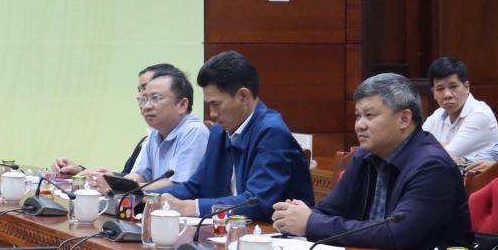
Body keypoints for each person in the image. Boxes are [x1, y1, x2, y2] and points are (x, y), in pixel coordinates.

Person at [272, 74, 472, 250]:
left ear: (404, 119)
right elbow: (329, 209)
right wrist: (294, 218)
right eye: (357, 116)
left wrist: (311, 223)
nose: (360, 125)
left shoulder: (433, 167)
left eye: (369, 115)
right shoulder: (364, 155)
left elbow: (396, 235)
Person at [157, 51, 312, 222]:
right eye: (209, 105)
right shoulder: (219, 131)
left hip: (270, 232)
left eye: (216, 104)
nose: (212, 114)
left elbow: (257, 202)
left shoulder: (272, 132)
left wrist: (190, 207)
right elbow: (195, 186)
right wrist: (147, 196)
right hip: (228, 228)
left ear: (243, 96)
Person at [54, 63, 185, 183]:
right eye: (140, 90)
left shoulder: (189, 132)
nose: (140, 96)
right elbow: (130, 178)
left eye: (147, 89)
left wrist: (110, 180)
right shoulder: (151, 138)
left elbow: (177, 186)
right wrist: (82, 172)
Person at [420, 56, 498, 162]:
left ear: (467, 87)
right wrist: (441, 146)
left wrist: (432, 145)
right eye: (440, 89)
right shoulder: (438, 115)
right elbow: (414, 147)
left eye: (453, 87)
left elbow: (444, 157)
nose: (447, 95)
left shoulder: (480, 114)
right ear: (433, 93)